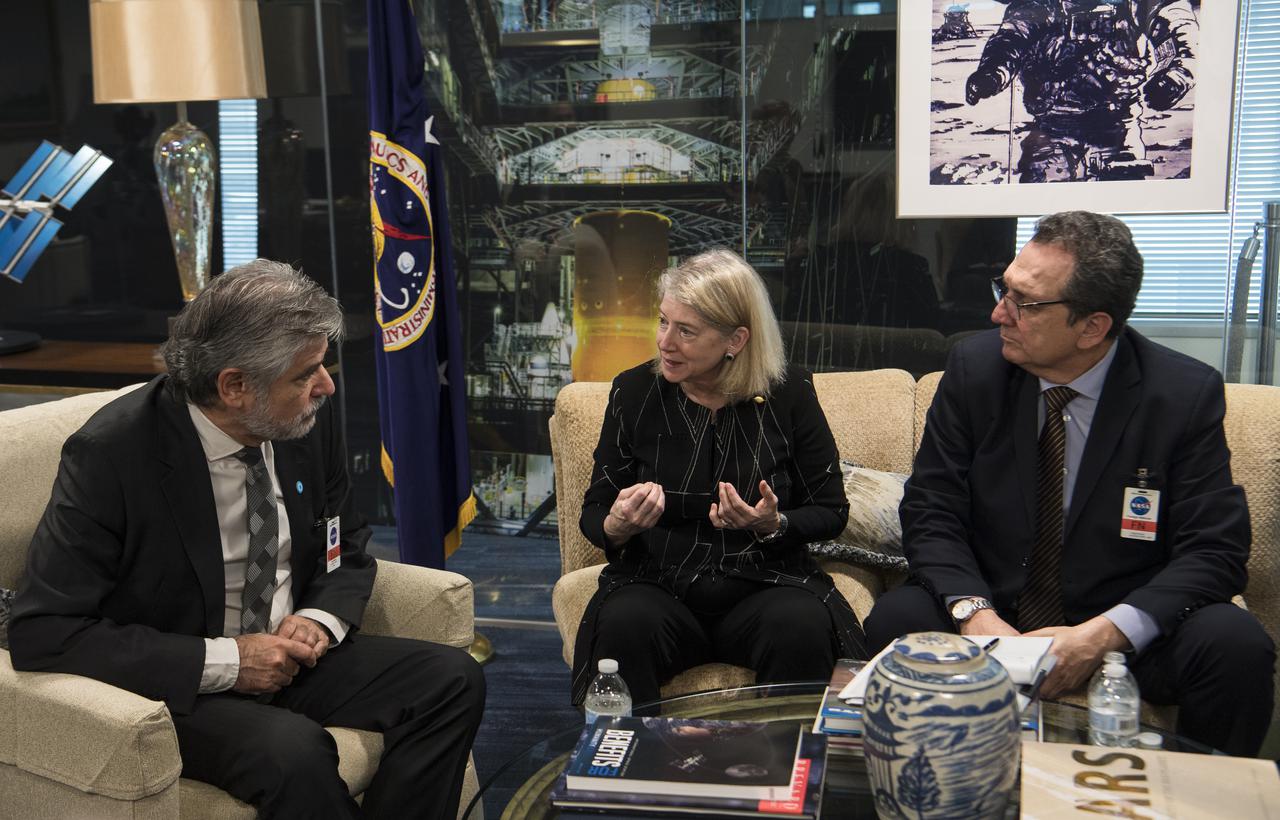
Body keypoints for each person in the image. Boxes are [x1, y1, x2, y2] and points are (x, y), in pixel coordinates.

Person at [9, 261, 485, 818]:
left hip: (292, 657)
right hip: (184, 682)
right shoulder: (112, 454)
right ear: (235, 386)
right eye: (306, 373)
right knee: (295, 751)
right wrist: (230, 660)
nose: (326, 385)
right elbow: (45, 631)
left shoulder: (304, 421)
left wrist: (318, 618)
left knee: (451, 680)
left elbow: (345, 541)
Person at [864, 211, 1274, 756]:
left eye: (1024, 303)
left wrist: (1101, 636)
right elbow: (932, 508)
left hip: (1119, 626)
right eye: (1003, 289)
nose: (997, 313)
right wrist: (976, 615)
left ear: (1093, 327)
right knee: (897, 618)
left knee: (1235, 644)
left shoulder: (1180, 394)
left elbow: (1216, 551)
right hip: (995, 614)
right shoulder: (974, 369)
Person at [570, 248, 867, 709]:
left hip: (765, 583)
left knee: (803, 626)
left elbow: (831, 511)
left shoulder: (790, 394)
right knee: (624, 623)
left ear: (736, 339)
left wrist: (772, 524)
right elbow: (594, 511)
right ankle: (633, 770)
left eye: (686, 331)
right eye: (664, 321)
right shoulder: (633, 393)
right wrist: (619, 525)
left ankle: (786, 770)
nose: (665, 342)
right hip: (658, 583)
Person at [964, 0, 1198, 182]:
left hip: (1116, 129)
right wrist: (992, 75)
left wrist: (1175, 77)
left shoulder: (1132, 4)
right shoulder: (1037, 6)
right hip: (1051, 128)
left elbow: (1176, 27)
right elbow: (1011, 40)